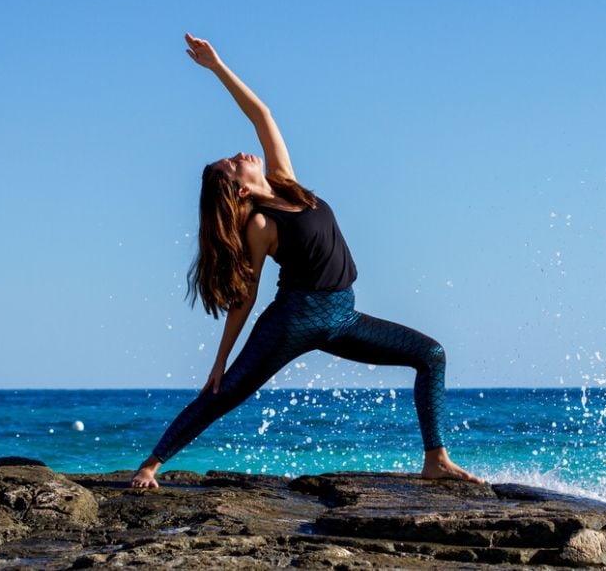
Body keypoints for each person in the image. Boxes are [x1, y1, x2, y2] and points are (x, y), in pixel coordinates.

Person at [130, 33, 480, 489]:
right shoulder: (260, 225)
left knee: (431, 354)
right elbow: (248, 294)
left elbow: (262, 115)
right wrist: (220, 360)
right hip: (295, 319)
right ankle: (151, 465)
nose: (240, 155)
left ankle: (435, 459)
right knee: (226, 391)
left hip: (343, 315)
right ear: (238, 190)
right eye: (233, 164)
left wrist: (217, 67)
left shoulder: (286, 182)